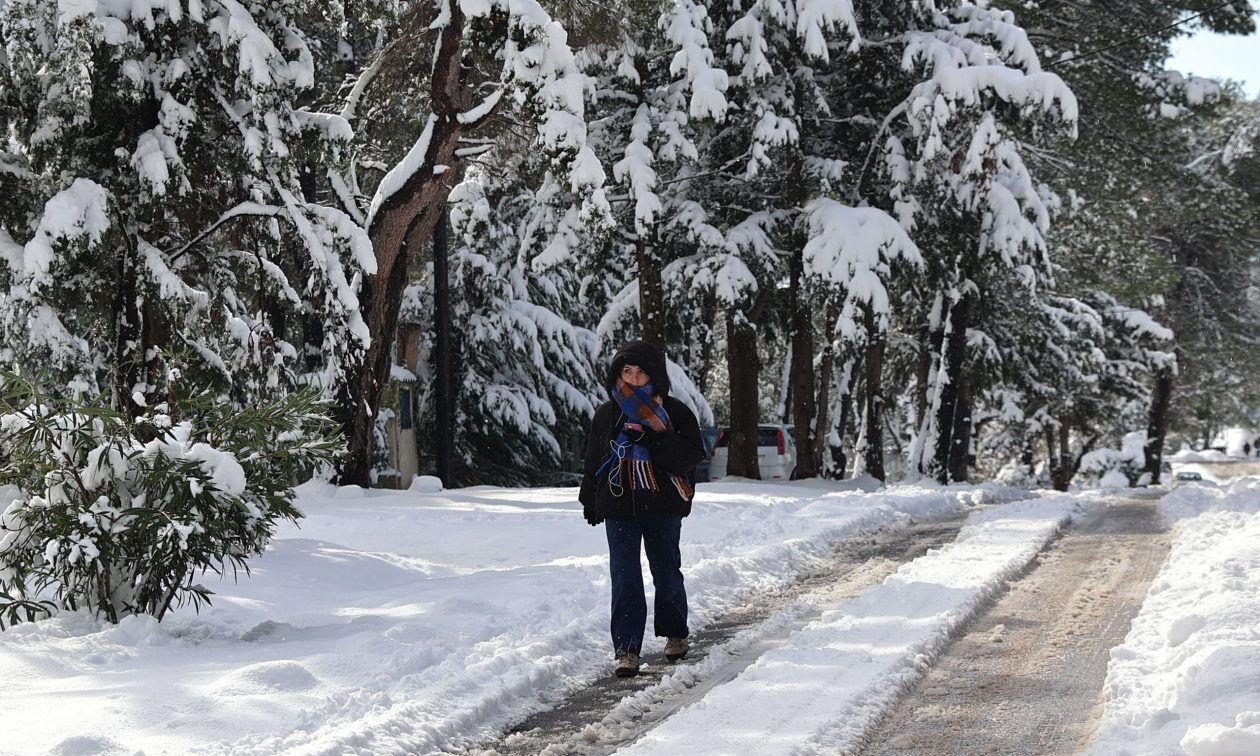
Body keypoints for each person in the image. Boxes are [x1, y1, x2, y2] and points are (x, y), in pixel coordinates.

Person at [579, 340, 706, 678]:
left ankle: (675, 632)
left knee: (666, 570)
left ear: (654, 374)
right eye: (627, 371)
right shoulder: (608, 413)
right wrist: (589, 499)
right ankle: (627, 649)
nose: (633, 378)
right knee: (624, 576)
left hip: (662, 505)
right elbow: (594, 459)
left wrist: (654, 440)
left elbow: (690, 457)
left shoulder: (675, 413)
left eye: (640, 372)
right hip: (619, 505)